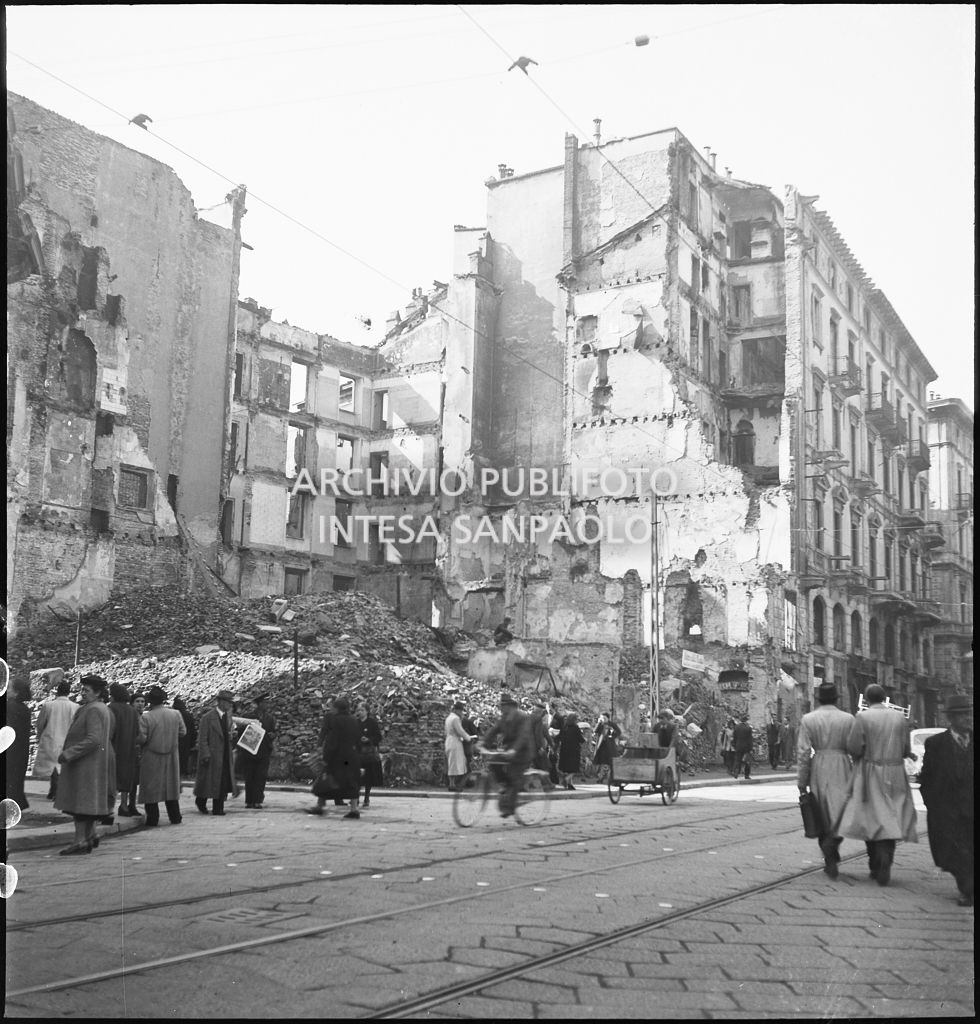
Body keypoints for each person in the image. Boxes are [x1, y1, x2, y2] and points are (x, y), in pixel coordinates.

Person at [839, 683, 918, 887]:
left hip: (870, 771)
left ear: (866, 699)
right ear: (884, 698)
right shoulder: (899, 717)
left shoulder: (862, 717)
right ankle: (886, 858)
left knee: (870, 815)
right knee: (892, 815)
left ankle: (876, 861)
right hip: (895, 772)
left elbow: (855, 747)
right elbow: (905, 748)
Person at [919, 694, 973, 906]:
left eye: (969, 714)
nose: (967, 719)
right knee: (956, 851)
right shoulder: (936, 744)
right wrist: (932, 804)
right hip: (948, 809)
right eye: (961, 716)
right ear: (951, 719)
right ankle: (967, 888)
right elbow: (927, 777)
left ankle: (968, 889)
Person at [796, 683, 854, 879]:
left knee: (821, 812)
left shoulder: (809, 719)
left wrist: (801, 781)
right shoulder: (848, 719)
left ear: (818, 699)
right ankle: (833, 844)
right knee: (841, 810)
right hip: (842, 765)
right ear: (837, 699)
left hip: (819, 766)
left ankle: (828, 851)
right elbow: (855, 748)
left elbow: (803, 753)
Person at [54, 674, 112, 854]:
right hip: (91, 764)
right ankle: (88, 837)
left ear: (98, 692)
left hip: (85, 765)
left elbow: (93, 739)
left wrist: (69, 753)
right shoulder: (98, 708)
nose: (82, 693)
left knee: (80, 804)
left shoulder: (94, 709)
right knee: (87, 804)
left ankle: (79, 841)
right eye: (82, 689)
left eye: (86, 690)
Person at [480, 694, 535, 817]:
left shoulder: (523, 717)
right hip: (508, 750)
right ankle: (505, 785)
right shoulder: (504, 719)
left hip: (523, 752)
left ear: (511, 706)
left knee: (514, 775)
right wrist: (482, 743)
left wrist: (514, 750)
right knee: (493, 762)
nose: (501, 708)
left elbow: (523, 735)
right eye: (501, 706)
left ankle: (509, 807)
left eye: (504, 706)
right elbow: (493, 731)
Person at [138, 685, 185, 826]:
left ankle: (153, 819)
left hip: (151, 755)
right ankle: (175, 816)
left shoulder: (146, 717)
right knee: (171, 786)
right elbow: (183, 732)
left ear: (150, 701)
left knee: (151, 788)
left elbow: (142, 738)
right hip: (171, 755)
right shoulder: (176, 714)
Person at [32, 677, 78, 801]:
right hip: (67, 739)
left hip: (51, 738)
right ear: (69, 692)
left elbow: (40, 723)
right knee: (61, 766)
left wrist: (39, 736)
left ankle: (55, 790)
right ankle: (56, 790)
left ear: (57, 691)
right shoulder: (75, 707)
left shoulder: (49, 705)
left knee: (52, 767)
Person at [194, 689, 239, 815]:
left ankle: (218, 808)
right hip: (212, 755)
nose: (230, 705)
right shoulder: (207, 718)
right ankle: (201, 801)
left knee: (222, 781)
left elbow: (228, 734)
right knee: (209, 782)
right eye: (228, 702)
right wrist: (205, 754)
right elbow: (202, 739)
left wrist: (232, 735)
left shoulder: (228, 717)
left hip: (224, 754)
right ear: (220, 702)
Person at [322, 696, 362, 820]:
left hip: (338, 756)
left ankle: (320, 805)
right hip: (352, 755)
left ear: (337, 708)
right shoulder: (354, 720)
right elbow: (358, 738)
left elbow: (332, 740)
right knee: (352, 781)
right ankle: (354, 808)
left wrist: (327, 756)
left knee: (329, 779)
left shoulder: (336, 721)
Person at [107, 683, 141, 816]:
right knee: (127, 779)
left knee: (110, 780)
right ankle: (124, 806)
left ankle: (108, 810)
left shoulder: (110, 708)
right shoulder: (132, 711)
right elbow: (138, 732)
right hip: (129, 750)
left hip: (113, 748)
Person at [241, 692, 277, 809]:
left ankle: (258, 800)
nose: (267, 705)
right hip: (250, 751)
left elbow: (273, 732)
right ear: (259, 704)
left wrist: (272, 735)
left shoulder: (270, 718)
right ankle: (249, 801)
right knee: (250, 776)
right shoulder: (248, 716)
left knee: (260, 777)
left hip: (264, 751)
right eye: (265, 702)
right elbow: (242, 732)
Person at [5, 674, 33, 811]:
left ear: (16, 693)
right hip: (20, 752)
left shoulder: (9, 707)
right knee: (15, 783)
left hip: (9, 752)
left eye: (8, 688)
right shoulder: (24, 708)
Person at [355, 701, 383, 809]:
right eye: (358, 710)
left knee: (368, 776)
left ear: (367, 711)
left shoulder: (372, 723)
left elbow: (378, 737)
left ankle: (366, 797)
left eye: (362, 710)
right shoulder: (355, 722)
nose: (360, 712)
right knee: (356, 776)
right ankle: (356, 797)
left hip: (369, 753)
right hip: (358, 753)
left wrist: (369, 739)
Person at [444, 700, 470, 792]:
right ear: (456, 710)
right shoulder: (455, 718)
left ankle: (453, 783)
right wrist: (468, 738)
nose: (461, 712)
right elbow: (460, 731)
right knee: (455, 763)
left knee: (453, 763)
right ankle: (453, 784)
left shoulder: (449, 718)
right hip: (454, 742)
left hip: (449, 740)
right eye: (460, 710)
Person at [557, 712, 584, 790]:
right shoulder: (575, 728)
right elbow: (580, 739)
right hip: (574, 750)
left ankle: (570, 784)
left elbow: (559, 737)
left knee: (567, 768)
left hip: (564, 750)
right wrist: (584, 740)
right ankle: (566, 779)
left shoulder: (564, 727)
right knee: (574, 768)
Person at [592, 712, 622, 781]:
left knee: (608, 762)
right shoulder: (600, 724)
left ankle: (604, 777)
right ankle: (601, 777)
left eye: (604, 718)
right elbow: (595, 731)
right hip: (601, 745)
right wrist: (598, 723)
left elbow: (619, 732)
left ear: (608, 718)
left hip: (609, 745)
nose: (603, 719)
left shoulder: (612, 724)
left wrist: (612, 736)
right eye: (602, 717)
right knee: (602, 761)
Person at [172, 696, 197, 777]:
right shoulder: (188, 715)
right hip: (186, 741)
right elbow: (193, 730)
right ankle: (184, 772)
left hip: (174, 741)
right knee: (184, 758)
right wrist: (192, 743)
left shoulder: (173, 715)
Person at [530, 701, 553, 781]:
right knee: (544, 766)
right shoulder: (538, 720)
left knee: (534, 765)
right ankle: (546, 784)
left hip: (526, 746)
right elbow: (538, 734)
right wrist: (541, 747)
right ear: (541, 712)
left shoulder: (527, 717)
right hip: (536, 747)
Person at [732, 714, 754, 780]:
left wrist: (735, 745)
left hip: (738, 746)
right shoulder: (748, 728)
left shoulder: (737, 727)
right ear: (746, 720)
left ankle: (736, 772)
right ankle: (746, 775)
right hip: (746, 747)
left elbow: (734, 737)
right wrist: (751, 748)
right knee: (747, 761)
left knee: (737, 759)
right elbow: (750, 739)